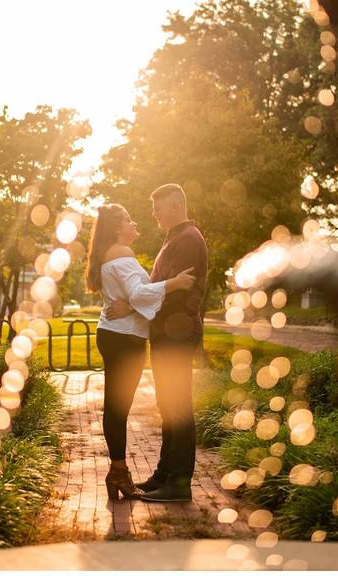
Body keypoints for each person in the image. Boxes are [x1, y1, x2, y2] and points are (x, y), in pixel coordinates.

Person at [84, 203, 196, 500]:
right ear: (116, 228)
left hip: (114, 334)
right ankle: (118, 473)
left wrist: (132, 303)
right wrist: (175, 283)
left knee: (115, 406)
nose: (136, 224)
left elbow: (130, 298)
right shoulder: (122, 253)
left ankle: (118, 471)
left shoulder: (109, 254)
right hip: (124, 339)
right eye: (129, 219)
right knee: (118, 408)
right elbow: (137, 294)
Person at [107, 183, 208, 502]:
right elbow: (156, 287)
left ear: (176, 206)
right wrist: (134, 303)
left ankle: (179, 484)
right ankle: (165, 474)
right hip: (166, 333)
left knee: (178, 406)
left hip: (178, 332)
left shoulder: (189, 240)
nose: (153, 214)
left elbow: (174, 289)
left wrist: (130, 306)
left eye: (159, 208)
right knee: (168, 405)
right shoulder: (174, 240)